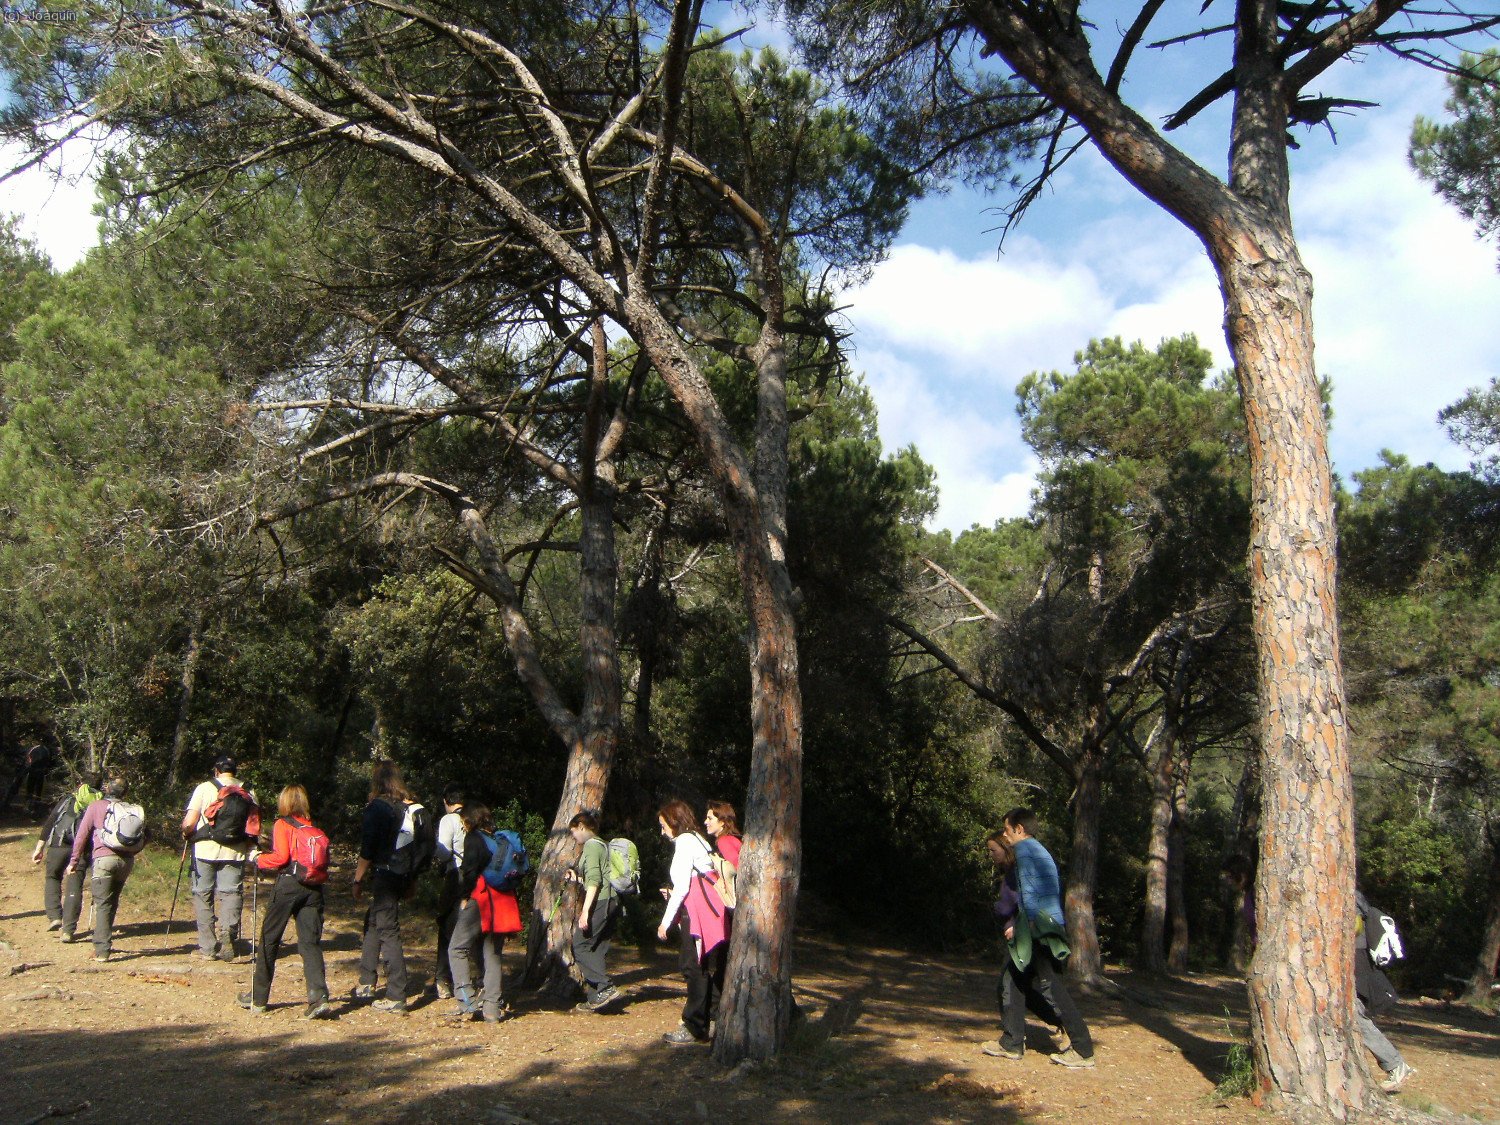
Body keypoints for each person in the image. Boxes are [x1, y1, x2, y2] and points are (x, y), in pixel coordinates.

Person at [994, 808, 1095, 1068]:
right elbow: (1052, 889)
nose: (1005, 835)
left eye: (1007, 830)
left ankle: (1083, 1049)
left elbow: (1029, 892)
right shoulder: (1041, 850)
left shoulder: (1025, 850)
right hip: (1049, 922)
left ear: (1019, 829)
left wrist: (1022, 926)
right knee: (1014, 977)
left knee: (1051, 985)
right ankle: (1012, 1043)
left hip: (1036, 926)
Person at [238, 785, 332, 1019]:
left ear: (285, 802)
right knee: (310, 943)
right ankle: (318, 997)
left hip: (289, 885)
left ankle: (258, 998)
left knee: (269, 939)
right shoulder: (312, 827)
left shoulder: (283, 824)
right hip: (314, 888)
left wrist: (258, 859)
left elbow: (281, 858)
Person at [980, 830, 1071, 1060]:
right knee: (1024, 987)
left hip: (1025, 935)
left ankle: (1013, 1041)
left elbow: (1013, 903)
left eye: (994, 849)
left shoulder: (1017, 870)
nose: (991, 854)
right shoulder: (1016, 869)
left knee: (1010, 984)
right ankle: (1060, 1025)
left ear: (1006, 847)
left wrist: (1012, 922)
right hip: (1026, 932)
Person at [657, 798, 728, 1046]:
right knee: (710, 963)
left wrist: (665, 922)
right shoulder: (699, 839)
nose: (662, 831)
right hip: (713, 908)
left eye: (664, 825)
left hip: (699, 910)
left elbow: (682, 887)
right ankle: (715, 1018)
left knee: (693, 964)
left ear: (674, 821)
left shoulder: (685, 842)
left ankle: (694, 1025)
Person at [448, 803, 520, 1022]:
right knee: (492, 953)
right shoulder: (499, 838)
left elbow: (469, 871)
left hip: (481, 898)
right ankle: (492, 1009)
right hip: (503, 899)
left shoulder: (474, 838)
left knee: (456, 948)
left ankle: (466, 1000)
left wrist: (463, 897)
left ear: (470, 820)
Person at [181, 756, 257, 962]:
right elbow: (253, 825)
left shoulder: (204, 788)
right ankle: (228, 934)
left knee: (202, 894)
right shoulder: (247, 790)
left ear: (216, 771)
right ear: (234, 770)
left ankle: (207, 947)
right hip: (235, 850)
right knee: (231, 892)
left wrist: (186, 833)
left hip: (205, 849)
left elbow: (190, 822)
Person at [352, 759, 413, 1013]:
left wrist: (357, 879)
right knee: (375, 922)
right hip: (401, 872)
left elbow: (368, 848)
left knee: (388, 930)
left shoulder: (377, 808)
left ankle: (397, 993)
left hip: (385, 873)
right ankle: (367, 979)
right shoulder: (405, 808)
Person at [67, 777, 143, 962]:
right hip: (126, 861)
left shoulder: (96, 806)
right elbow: (146, 835)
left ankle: (102, 950)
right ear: (125, 792)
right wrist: (134, 850)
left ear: (108, 789)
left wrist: (74, 861)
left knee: (102, 904)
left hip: (103, 859)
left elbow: (82, 835)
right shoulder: (131, 809)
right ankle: (104, 942)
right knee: (112, 901)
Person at [31, 771, 103, 941]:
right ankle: (68, 930)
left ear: (81, 783)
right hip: (83, 849)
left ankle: (55, 916)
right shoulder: (100, 802)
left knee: (53, 877)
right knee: (75, 885)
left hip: (59, 844)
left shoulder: (69, 799)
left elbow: (51, 821)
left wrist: (39, 847)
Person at [1355, 890, 1412, 1093]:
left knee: (1355, 1016)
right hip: (1358, 959)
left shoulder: (1346, 895)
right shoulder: (1355, 896)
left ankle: (1395, 1065)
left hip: (1357, 960)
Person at [565, 811, 621, 1013]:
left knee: (580, 945)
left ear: (581, 826)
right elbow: (594, 880)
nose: (574, 837)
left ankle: (605, 987)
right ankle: (596, 997)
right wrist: (577, 880)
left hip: (602, 902)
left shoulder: (591, 845)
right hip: (612, 901)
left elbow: (595, 881)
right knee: (596, 948)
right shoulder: (602, 845)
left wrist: (585, 912)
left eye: (574, 832)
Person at [433, 786, 467, 1000]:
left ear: (447, 801)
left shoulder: (449, 820)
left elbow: (443, 850)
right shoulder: (475, 816)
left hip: (456, 875)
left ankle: (443, 979)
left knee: (446, 924)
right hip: (477, 877)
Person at [3, 741, 57, 815]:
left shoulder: (34, 749)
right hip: (38, 772)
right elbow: (48, 762)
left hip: (33, 771)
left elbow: (29, 760)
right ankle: (33, 807)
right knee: (37, 791)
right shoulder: (44, 749)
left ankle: (30, 807)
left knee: (31, 790)